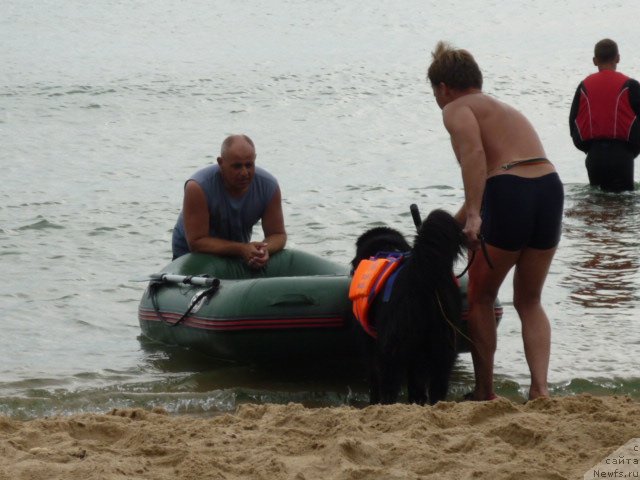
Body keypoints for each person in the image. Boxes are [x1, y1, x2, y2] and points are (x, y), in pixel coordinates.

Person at [426, 41, 564, 401]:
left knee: (481, 297)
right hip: (549, 187)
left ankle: (485, 393)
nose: (438, 101)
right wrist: (454, 222)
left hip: (511, 191)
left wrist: (473, 215)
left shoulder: (456, 108)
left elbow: (476, 157)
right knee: (529, 299)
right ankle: (540, 389)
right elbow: (496, 174)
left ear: (443, 88)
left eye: (436, 94)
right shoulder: (505, 110)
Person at [171, 134, 287, 268]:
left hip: (236, 253)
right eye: (237, 166)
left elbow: (277, 234)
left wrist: (263, 250)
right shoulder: (198, 187)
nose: (244, 173)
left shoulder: (269, 186)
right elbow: (197, 242)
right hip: (190, 255)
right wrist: (242, 249)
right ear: (221, 163)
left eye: (249, 165)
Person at [569, 38, 640, 191]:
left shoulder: (583, 86)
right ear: (618, 58)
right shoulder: (630, 85)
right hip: (623, 155)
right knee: (622, 205)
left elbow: (573, 121)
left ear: (595, 61)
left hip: (594, 155)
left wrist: (588, 148)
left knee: (598, 202)